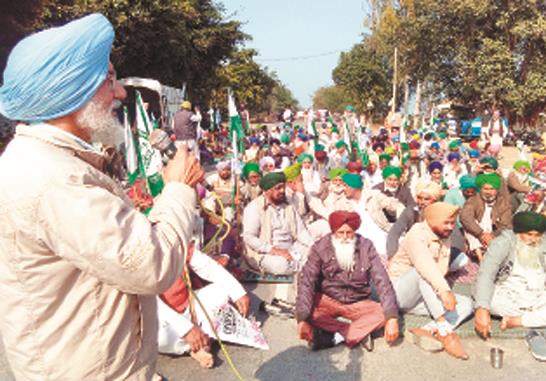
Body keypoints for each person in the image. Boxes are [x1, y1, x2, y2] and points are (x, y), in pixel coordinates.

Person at [0, 14, 204, 380]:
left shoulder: (55, 162)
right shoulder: (53, 179)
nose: (121, 92)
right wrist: (177, 189)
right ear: (70, 90)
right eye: (109, 79)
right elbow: (150, 265)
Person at [473, 212, 546, 341]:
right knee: (491, 302)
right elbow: (486, 274)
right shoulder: (502, 243)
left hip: (538, 295)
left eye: (537, 235)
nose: (533, 239)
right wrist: (482, 308)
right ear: (518, 232)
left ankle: (518, 321)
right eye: (529, 234)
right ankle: (537, 318)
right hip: (507, 295)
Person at [296, 211, 400, 350]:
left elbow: (383, 281)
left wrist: (392, 318)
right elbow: (307, 282)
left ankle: (335, 337)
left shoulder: (366, 247)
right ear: (333, 232)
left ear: (355, 231)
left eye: (349, 233)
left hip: (358, 302)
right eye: (340, 233)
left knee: (383, 314)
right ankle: (358, 332)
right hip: (328, 300)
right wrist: (302, 319)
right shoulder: (320, 247)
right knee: (305, 309)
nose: (345, 237)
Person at [388, 203, 473, 359]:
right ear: (433, 220)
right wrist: (445, 291)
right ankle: (443, 329)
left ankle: (427, 330)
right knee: (422, 272)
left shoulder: (443, 235)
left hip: (423, 295)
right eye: (446, 223)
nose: (450, 227)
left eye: (453, 223)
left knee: (467, 304)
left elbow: (440, 270)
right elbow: (424, 264)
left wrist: (440, 294)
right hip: (398, 293)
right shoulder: (416, 234)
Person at [157, 248, 249, 368]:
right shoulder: (136, 250)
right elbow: (150, 303)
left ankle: (200, 338)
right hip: (162, 317)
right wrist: (186, 329)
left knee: (221, 291)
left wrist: (238, 293)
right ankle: (193, 347)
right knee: (160, 338)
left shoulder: (177, 239)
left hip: (190, 307)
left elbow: (207, 266)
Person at [242, 172, 313, 275]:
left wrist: (313, 246)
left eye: (283, 187)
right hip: (266, 253)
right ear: (267, 190)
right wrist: (275, 251)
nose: (282, 191)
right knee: (281, 266)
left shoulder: (288, 205)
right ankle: (306, 267)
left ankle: (303, 266)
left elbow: (301, 232)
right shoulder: (254, 207)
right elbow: (249, 237)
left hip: (291, 248)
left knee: (315, 252)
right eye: (278, 188)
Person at [460, 173, 512, 262]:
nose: (488, 192)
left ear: (496, 190)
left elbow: (506, 224)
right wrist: (481, 234)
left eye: (492, 189)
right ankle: (480, 258)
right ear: (481, 189)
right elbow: (466, 218)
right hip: (477, 233)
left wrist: (492, 236)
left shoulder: (503, 203)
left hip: (494, 234)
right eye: (485, 189)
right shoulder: (473, 200)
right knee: (469, 227)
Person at [386, 180, 442, 258]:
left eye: (426, 199)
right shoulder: (411, 211)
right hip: (414, 250)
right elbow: (393, 233)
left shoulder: (443, 213)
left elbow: (455, 240)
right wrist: (392, 256)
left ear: (435, 200)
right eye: (419, 198)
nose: (422, 202)